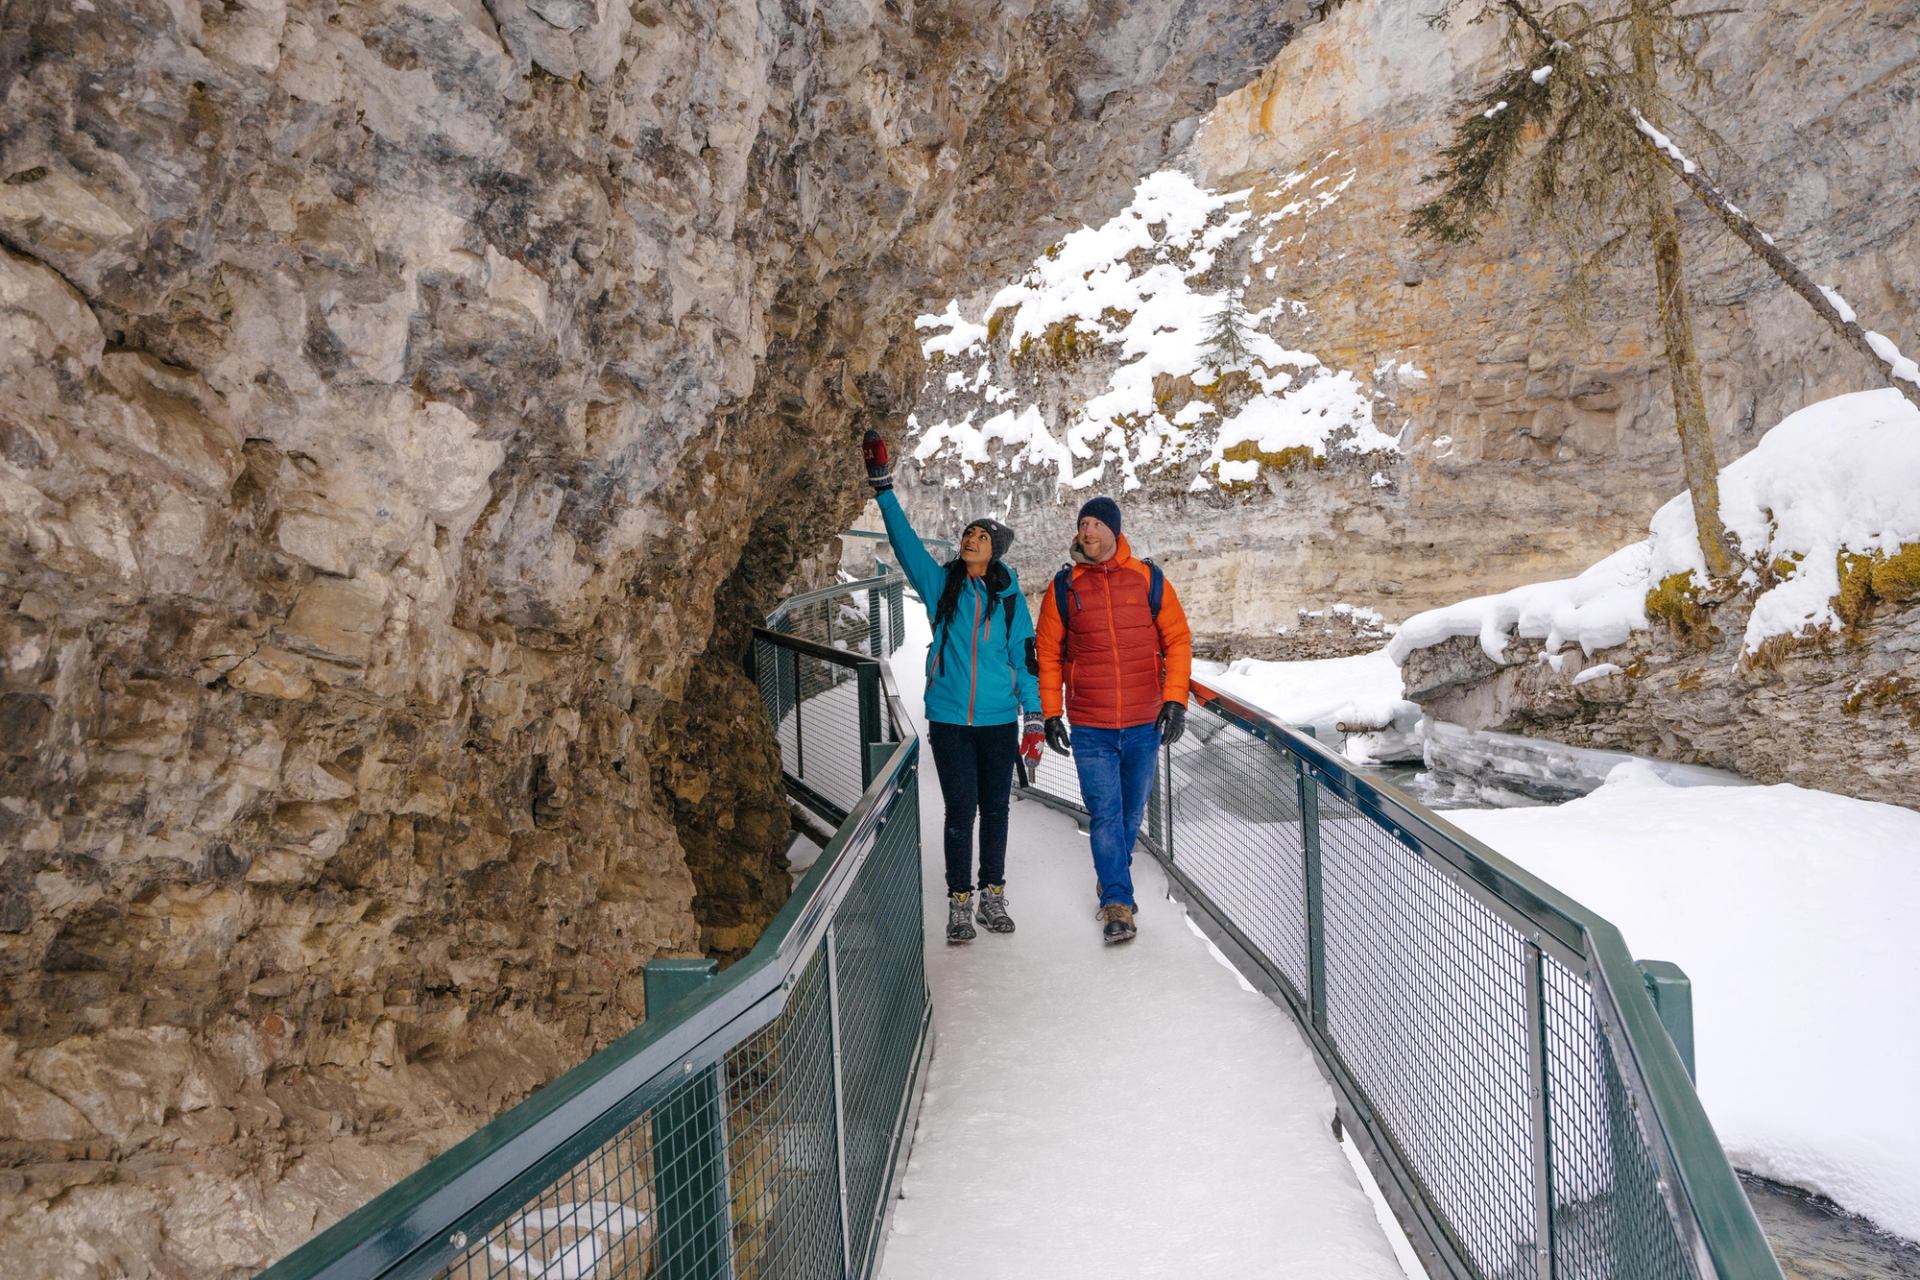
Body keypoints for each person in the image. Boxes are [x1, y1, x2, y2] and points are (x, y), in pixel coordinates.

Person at [862, 431, 1045, 943]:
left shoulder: (1010, 601)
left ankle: (993, 896)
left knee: (997, 810)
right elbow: (905, 545)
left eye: (979, 537)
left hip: (996, 722)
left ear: (995, 551)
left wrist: (1033, 718)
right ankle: (959, 902)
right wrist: (883, 488)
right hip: (948, 720)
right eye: (967, 534)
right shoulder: (941, 586)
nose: (969, 540)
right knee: (961, 811)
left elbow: (1024, 661)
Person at [1034, 496, 1192, 943]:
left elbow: (1178, 640)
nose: (1088, 532)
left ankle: (1111, 875)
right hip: (1091, 724)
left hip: (1144, 720)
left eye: (1097, 524)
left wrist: (1175, 699)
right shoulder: (1064, 588)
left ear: (1114, 531)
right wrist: (1050, 713)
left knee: (1130, 812)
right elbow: (1047, 654)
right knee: (1105, 813)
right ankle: (1117, 904)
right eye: (1083, 524)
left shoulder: (1148, 580)